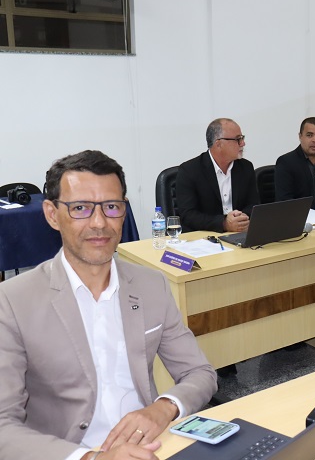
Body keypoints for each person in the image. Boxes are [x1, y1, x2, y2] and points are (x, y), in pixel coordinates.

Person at [0, 150, 217, 460]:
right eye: (80, 208)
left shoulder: (151, 285)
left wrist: (163, 407)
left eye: (111, 207)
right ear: (52, 214)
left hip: (151, 446)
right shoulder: (12, 301)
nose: (99, 223)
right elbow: (3, 427)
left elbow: (200, 373)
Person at [176, 118, 259, 233]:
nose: (243, 143)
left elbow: (253, 204)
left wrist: (241, 219)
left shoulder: (246, 167)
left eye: (242, 138)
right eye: (238, 139)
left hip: (240, 233)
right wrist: (224, 223)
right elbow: (188, 215)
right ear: (218, 144)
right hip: (206, 236)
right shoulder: (189, 171)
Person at [275, 117, 315, 211]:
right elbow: (285, 202)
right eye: (309, 135)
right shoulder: (286, 162)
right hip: (299, 217)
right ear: (300, 136)